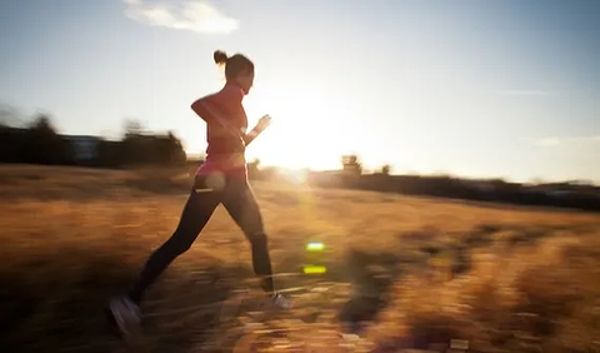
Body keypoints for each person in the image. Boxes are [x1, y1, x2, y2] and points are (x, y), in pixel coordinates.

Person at [108, 50, 290, 337]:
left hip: (213, 178)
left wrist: (255, 130)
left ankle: (129, 302)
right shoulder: (231, 95)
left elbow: (236, 146)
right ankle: (273, 299)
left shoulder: (233, 101)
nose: (253, 83)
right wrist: (232, 126)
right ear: (241, 75)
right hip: (229, 182)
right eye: (251, 77)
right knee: (258, 237)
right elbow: (198, 105)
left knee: (180, 241)